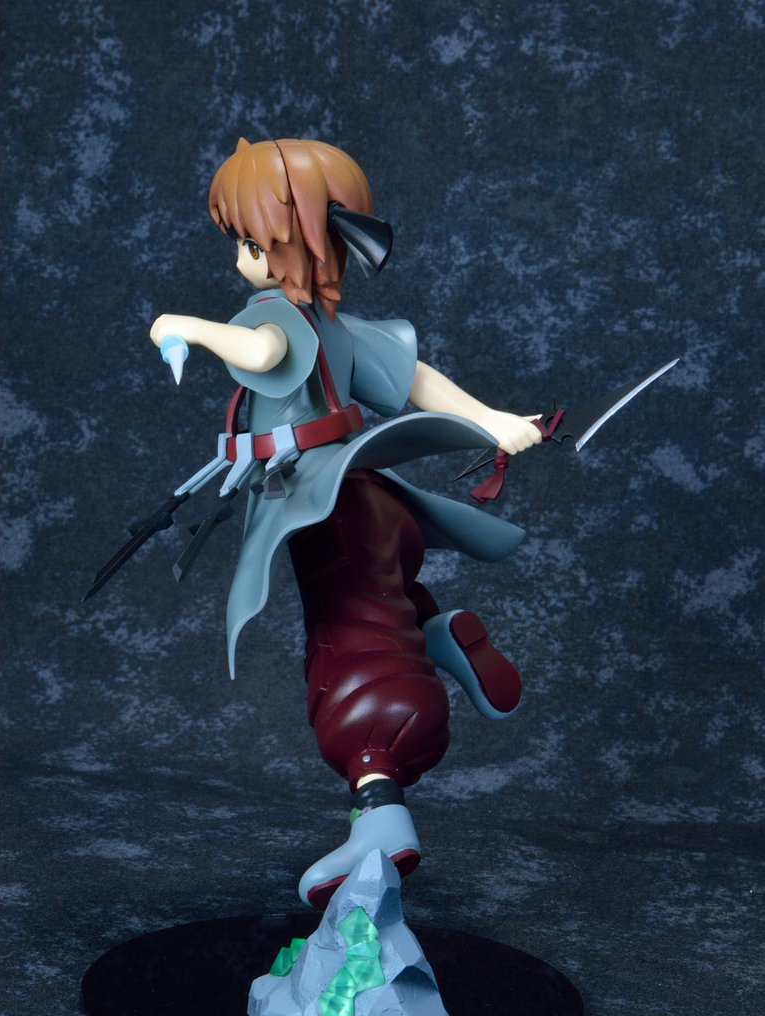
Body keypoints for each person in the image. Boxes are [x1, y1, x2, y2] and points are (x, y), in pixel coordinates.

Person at [150, 137, 542, 909]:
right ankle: (431, 632)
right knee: (377, 606)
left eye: (253, 243)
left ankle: (381, 816)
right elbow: (415, 377)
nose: (243, 259)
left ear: (293, 241)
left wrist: (183, 325)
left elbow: (260, 350)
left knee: (346, 660)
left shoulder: (276, 316)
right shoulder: (337, 324)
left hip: (321, 505)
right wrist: (493, 420)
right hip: (372, 498)